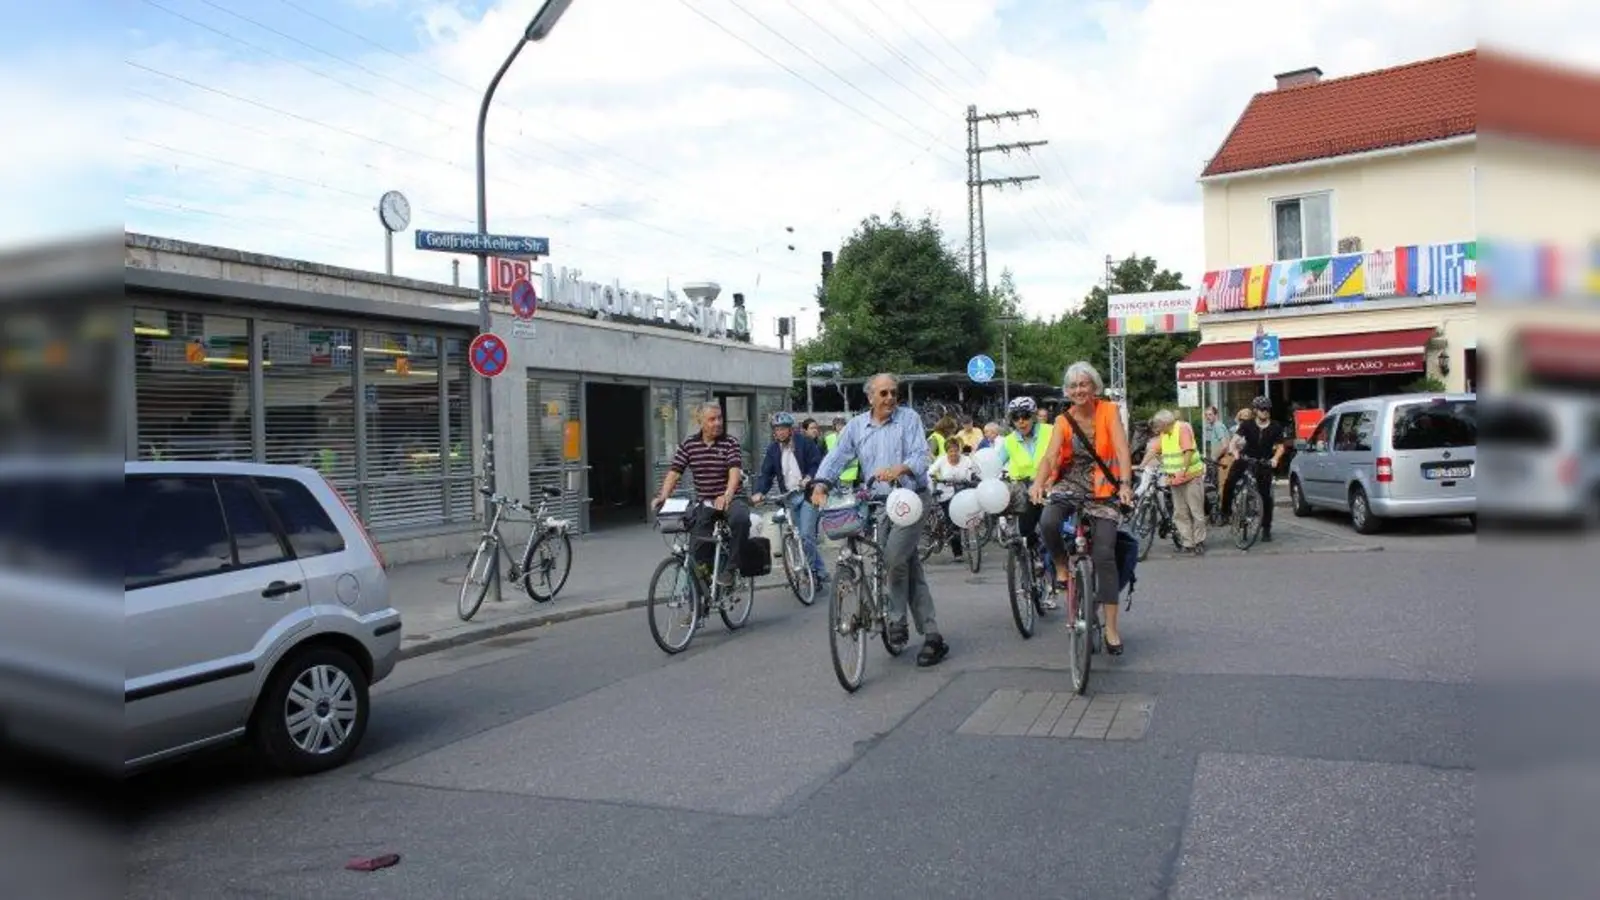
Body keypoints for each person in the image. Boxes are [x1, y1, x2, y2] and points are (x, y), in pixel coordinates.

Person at [812, 372, 949, 667]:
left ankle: (896, 620)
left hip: (910, 499)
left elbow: (921, 456)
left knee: (894, 558)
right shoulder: (857, 426)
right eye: (883, 393)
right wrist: (821, 484)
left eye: (893, 393)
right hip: (878, 502)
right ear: (870, 397)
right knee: (906, 564)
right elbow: (837, 457)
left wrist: (900, 469)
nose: (890, 398)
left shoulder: (908, 418)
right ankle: (933, 636)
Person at [1029, 361, 1134, 655]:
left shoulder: (1109, 411)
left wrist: (1125, 484)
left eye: (1083, 384)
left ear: (1094, 387)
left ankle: (1112, 629)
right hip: (1071, 481)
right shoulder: (1063, 421)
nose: (1078, 390)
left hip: (1105, 485)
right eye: (1073, 386)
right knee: (1048, 521)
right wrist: (1039, 482)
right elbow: (1050, 456)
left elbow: (1122, 448)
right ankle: (1062, 565)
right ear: (1067, 391)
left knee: (1104, 554)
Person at [652, 402, 749, 587]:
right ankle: (697, 602)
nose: (718, 423)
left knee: (740, 519)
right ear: (700, 422)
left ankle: (731, 569)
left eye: (719, 418)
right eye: (712, 419)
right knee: (697, 549)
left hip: (731, 498)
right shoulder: (690, 444)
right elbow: (674, 472)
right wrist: (663, 496)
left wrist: (727, 495)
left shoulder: (730, 443)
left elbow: (734, 471)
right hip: (706, 502)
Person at [751, 411, 827, 588]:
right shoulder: (772, 450)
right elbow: (766, 475)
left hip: (810, 493)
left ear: (791, 429)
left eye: (783, 428)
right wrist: (759, 492)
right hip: (789, 497)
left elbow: (817, 463)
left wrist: (809, 477)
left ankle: (813, 573)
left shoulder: (805, 443)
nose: (780, 432)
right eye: (777, 429)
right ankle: (820, 570)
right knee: (799, 537)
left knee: (807, 534)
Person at [995, 396, 1056, 606]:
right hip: (1023, 492)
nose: (1021, 422)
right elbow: (994, 463)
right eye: (1016, 418)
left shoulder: (1050, 432)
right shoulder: (1009, 441)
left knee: (1052, 532)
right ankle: (1030, 562)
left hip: (1050, 487)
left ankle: (1052, 580)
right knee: (1023, 533)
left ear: (1033, 417)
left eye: (1025, 417)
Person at [1221, 396, 1290, 543]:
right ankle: (1225, 512)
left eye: (1267, 409)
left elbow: (1280, 447)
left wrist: (1275, 459)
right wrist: (1235, 452)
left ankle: (1266, 528)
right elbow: (1234, 441)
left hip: (1263, 462)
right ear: (1255, 411)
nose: (1265, 412)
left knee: (1266, 496)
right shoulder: (1248, 425)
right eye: (1262, 409)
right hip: (1246, 458)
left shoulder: (1276, 427)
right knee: (1230, 481)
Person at [1150, 409, 1207, 555]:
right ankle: (1188, 543)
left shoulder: (1182, 428)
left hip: (1191, 476)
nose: (1156, 429)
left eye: (1158, 425)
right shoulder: (1164, 434)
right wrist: (1160, 466)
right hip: (1175, 479)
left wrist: (1182, 469)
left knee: (1195, 511)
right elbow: (1155, 451)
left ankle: (1199, 541)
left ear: (1164, 423)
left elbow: (1188, 451)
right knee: (1180, 512)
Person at [929, 439, 978, 559]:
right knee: (952, 522)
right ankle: (958, 553)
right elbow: (930, 472)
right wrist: (936, 478)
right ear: (947, 452)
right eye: (951, 451)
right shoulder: (941, 460)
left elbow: (974, 470)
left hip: (963, 493)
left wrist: (973, 477)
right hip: (946, 494)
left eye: (956, 450)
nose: (954, 453)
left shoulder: (966, 460)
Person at [823, 415, 858, 487]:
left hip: (847, 475)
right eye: (838, 424)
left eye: (842, 424)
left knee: (847, 497)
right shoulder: (829, 438)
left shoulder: (852, 438)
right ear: (834, 426)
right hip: (832, 475)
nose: (840, 427)